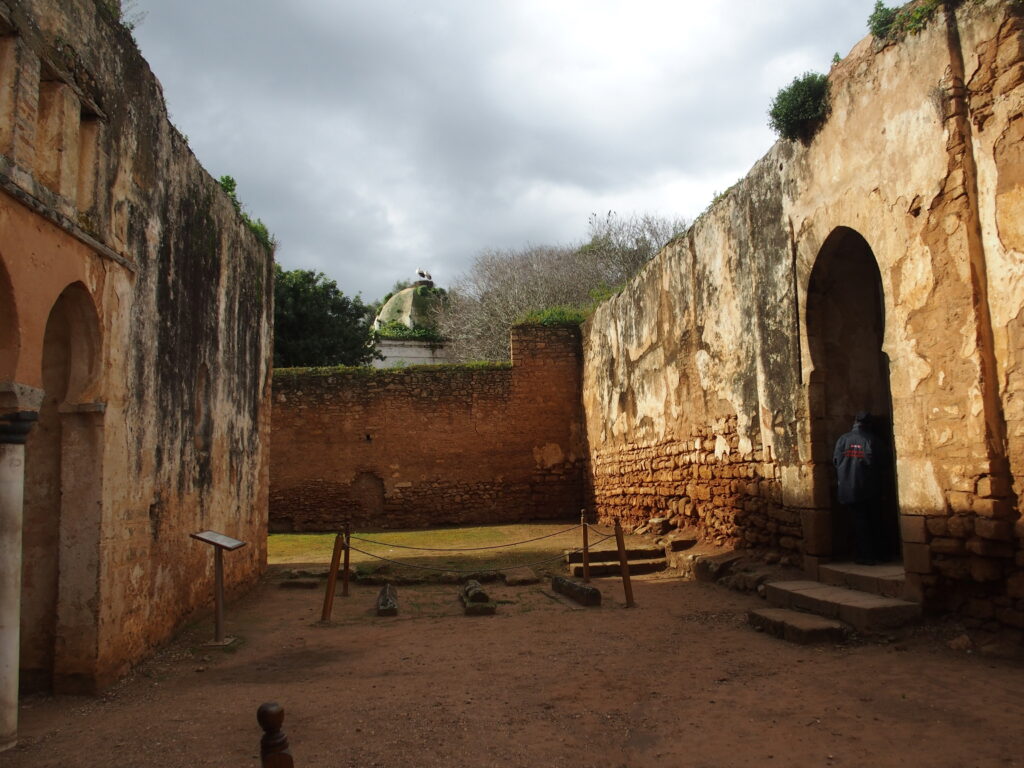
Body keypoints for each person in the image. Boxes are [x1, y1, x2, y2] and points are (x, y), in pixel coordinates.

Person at [833, 411, 884, 564]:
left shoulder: (842, 440)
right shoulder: (873, 440)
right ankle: (875, 555)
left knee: (859, 521)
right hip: (868, 488)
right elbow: (883, 463)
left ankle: (863, 555)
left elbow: (836, 461)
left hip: (848, 488)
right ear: (869, 424)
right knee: (874, 521)